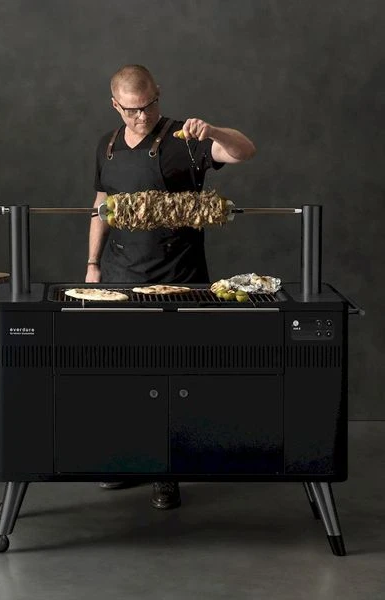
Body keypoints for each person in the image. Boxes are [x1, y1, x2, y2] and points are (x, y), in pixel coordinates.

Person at [85, 64, 256, 510]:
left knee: (169, 380)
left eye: (148, 106)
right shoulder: (106, 146)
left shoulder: (185, 139)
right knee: (124, 378)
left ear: (158, 94)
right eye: (131, 110)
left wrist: (212, 130)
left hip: (178, 279)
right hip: (121, 278)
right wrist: (92, 264)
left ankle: (167, 472)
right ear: (115, 105)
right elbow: (101, 206)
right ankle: (129, 462)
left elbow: (244, 151)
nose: (141, 117)